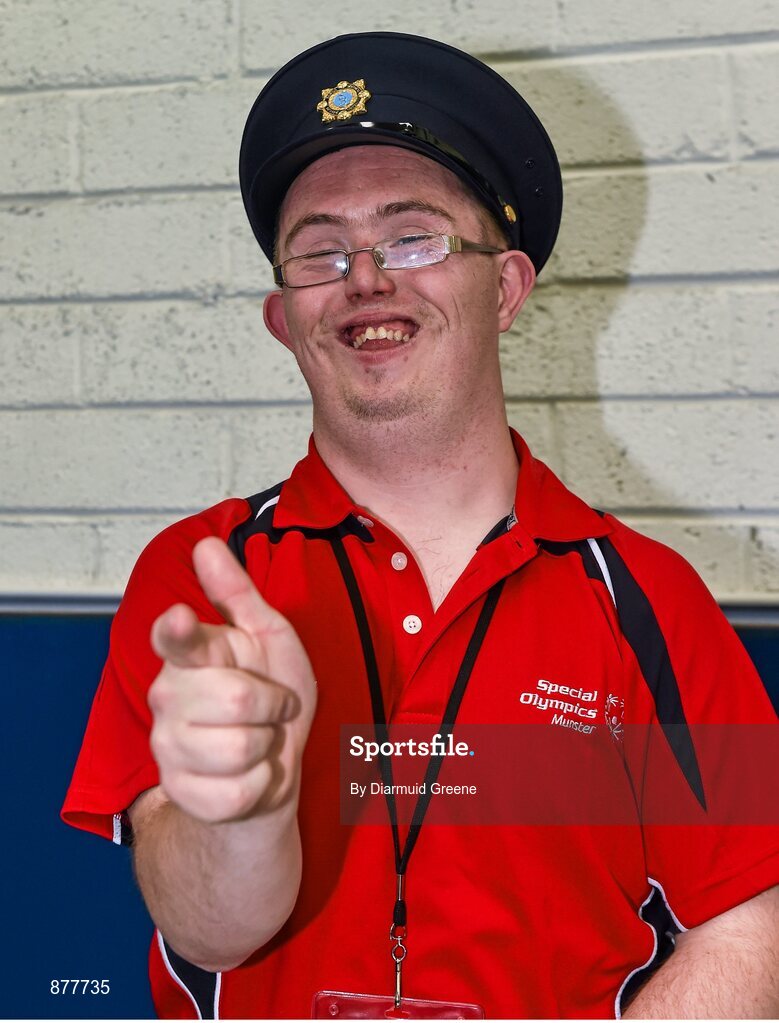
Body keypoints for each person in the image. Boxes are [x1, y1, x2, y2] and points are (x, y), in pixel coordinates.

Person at [62, 31, 779, 1020]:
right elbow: (206, 929)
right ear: (284, 317)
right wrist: (241, 814)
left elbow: (746, 919)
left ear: (506, 288)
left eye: (413, 237)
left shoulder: (651, 599)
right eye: (319, 250)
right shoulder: (202, 577)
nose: (365, 278)